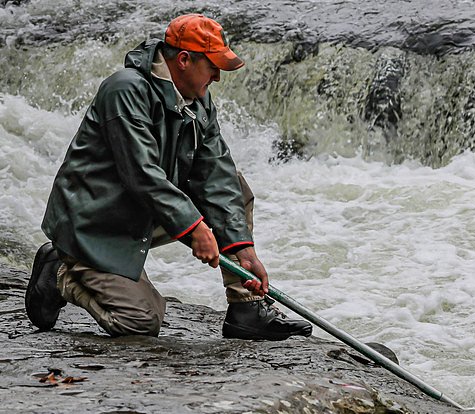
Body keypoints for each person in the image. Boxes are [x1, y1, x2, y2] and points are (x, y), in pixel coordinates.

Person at [25, 14, 311, 341]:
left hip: (140, 213)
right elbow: (142, 175)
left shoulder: (199, 100)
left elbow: (215, 172)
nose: (217, 77)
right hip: (93, 225)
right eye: (212, 67)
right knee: (141, 322)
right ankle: (60, 272)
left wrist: (242, 249)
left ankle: (246, 309)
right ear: (185, 60)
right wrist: (195, 227)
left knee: (234, 184)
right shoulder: (124, 90)